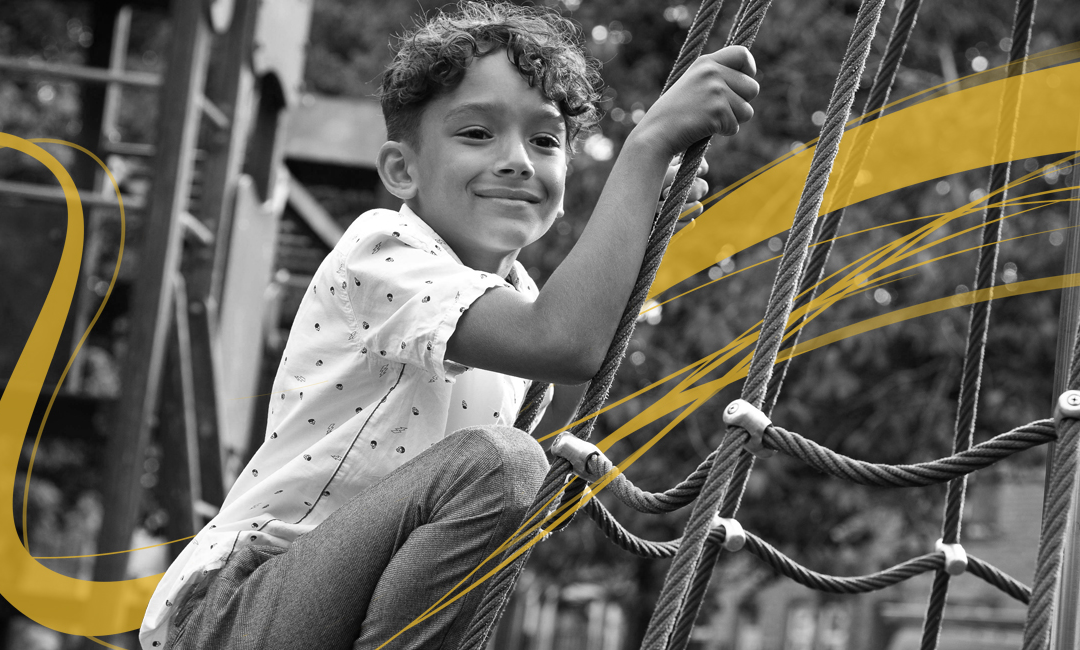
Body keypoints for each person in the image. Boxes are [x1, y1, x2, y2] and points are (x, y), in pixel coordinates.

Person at [139, 2, 757, 648]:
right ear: (402, 170)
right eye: (476, 134)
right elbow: (563, 343)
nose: (518, 160)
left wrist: (636, 233)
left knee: (521, 470)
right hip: (238, 612)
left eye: (544, 141)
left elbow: (580, 380)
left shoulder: (517, 302)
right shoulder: (383, 250)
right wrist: (647, 147)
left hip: (334, 617)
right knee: (503, 464)